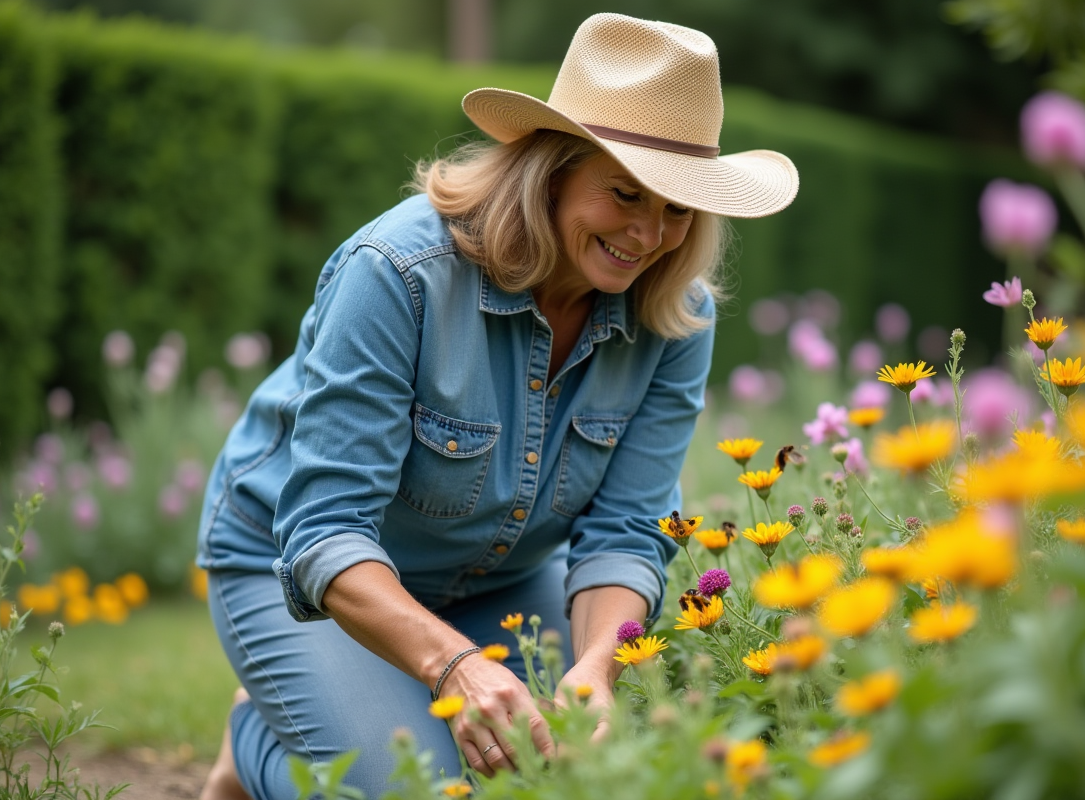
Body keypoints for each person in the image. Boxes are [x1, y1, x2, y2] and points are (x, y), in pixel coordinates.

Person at [198, 12, 798, 800]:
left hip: (499, 585)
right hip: (303, 579)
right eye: (625, 193)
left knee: (641, 740)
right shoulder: (398, 274)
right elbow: (323, 531)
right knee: (421, 788)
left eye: (678, 208)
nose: (650, 234)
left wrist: (596, 669)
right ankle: (256, 745)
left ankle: (347, 706)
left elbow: (625, 528)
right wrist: (453, 665)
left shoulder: (675, 317)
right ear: (550, 170)